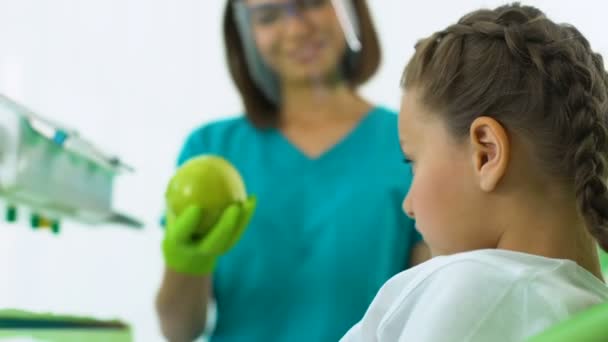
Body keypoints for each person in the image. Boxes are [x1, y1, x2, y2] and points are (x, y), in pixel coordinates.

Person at [155, 1, 429, 341]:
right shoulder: (211, 148)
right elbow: (178, 331)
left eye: (312, 3)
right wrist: (188, 263)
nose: (297, 28)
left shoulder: (412, 145)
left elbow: (428, 316)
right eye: (268, 16)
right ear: (243, 34)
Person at [341, 3, 608, 341]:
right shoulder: (592, 308)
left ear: (487, 152)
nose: (408, 204)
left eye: (414, 162)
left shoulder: (477, 287)